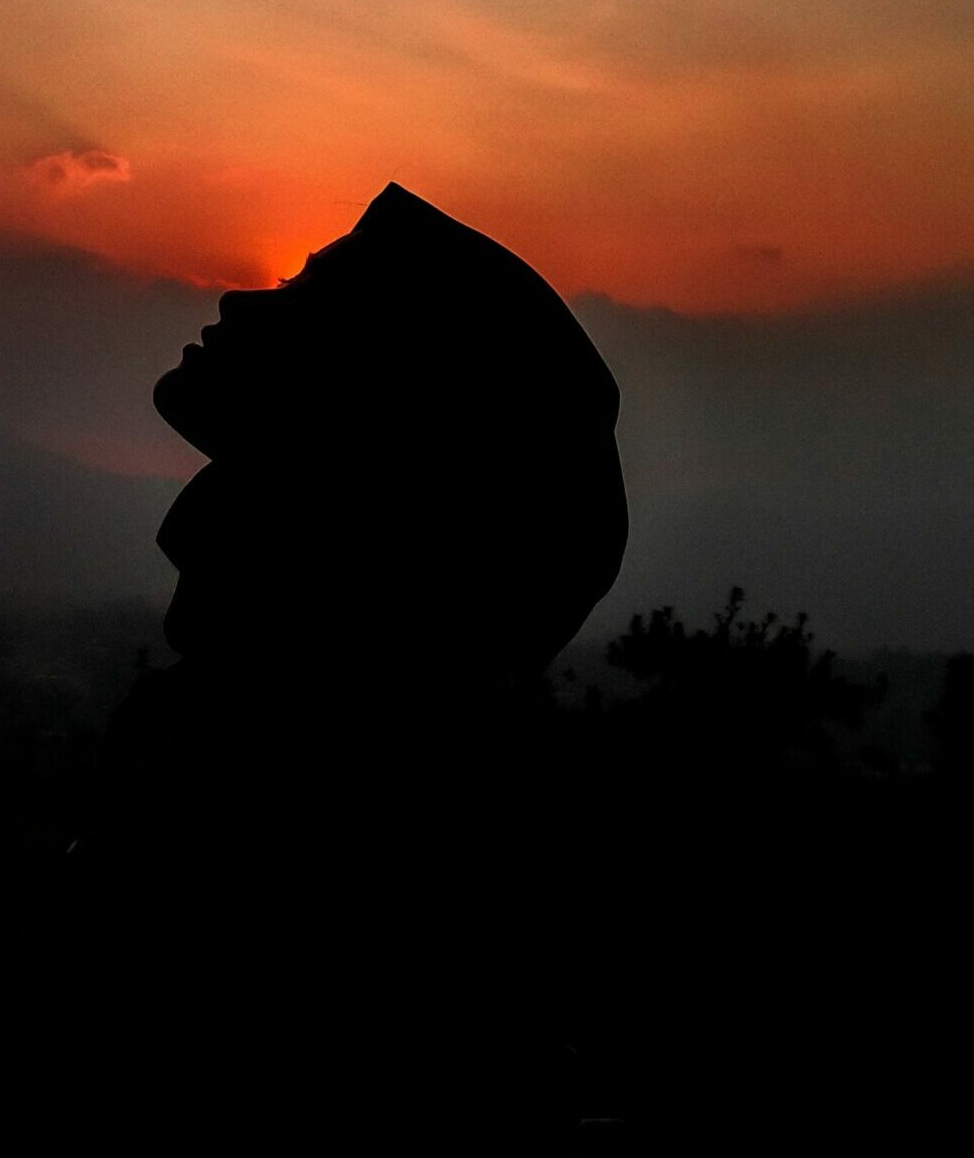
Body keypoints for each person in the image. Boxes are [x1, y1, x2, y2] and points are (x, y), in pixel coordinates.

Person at [70, 183, 627, 1139]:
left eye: (300, 295)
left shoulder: (303, 778)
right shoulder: (295, 729)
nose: (240, 298)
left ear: (371, 408)